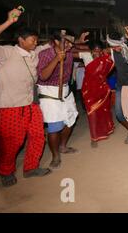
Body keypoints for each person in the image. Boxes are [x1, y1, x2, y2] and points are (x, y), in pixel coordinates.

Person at [0, 8, 52, 186]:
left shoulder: (34, 53)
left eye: (36, 40)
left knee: (38, 135)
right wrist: (9, 22)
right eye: (32, 40)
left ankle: (31, 167)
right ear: (21, 40)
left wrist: (72, 41)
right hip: (10, 105)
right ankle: (6, 171)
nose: (35, 43)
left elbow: (50, 44)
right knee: (12, 141)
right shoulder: (6, 53)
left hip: (31, 104)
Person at [37, 30, 89, 169]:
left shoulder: (70, 52)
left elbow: (85, 50)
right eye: (66, 42)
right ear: (55, 42)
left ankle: (63, 146)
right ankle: (55, 156)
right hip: (49, 92)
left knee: (71, 119)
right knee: (54, 127)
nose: (69, 46)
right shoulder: (45, 54)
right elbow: (43, 76)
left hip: (65, 90)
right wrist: (56, 59)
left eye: (71, 43)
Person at [79, 41, 115, 148]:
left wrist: (108, 50)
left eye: (99, 51)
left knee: (104, 110)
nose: (97, 53)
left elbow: (115, 53)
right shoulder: (85, 55)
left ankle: (106, 129)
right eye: (95, 51)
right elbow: (71, 52)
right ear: (90, 51)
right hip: (89, 91)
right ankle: (94, 137)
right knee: (92, 112)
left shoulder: (106, 59)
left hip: (102, 89)